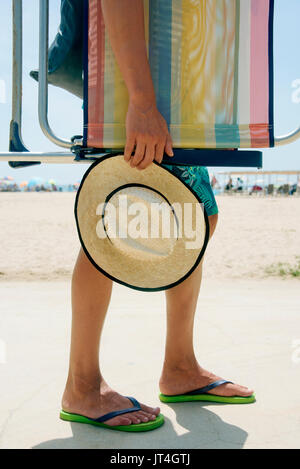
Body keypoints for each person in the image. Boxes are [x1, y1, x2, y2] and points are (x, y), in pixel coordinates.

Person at [61, 0, 253, 428]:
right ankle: (82, 386)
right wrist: (143, 102)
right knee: (110, 223)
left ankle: (181, 367)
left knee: (198, 216)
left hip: (176, 81)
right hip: (134, 85)